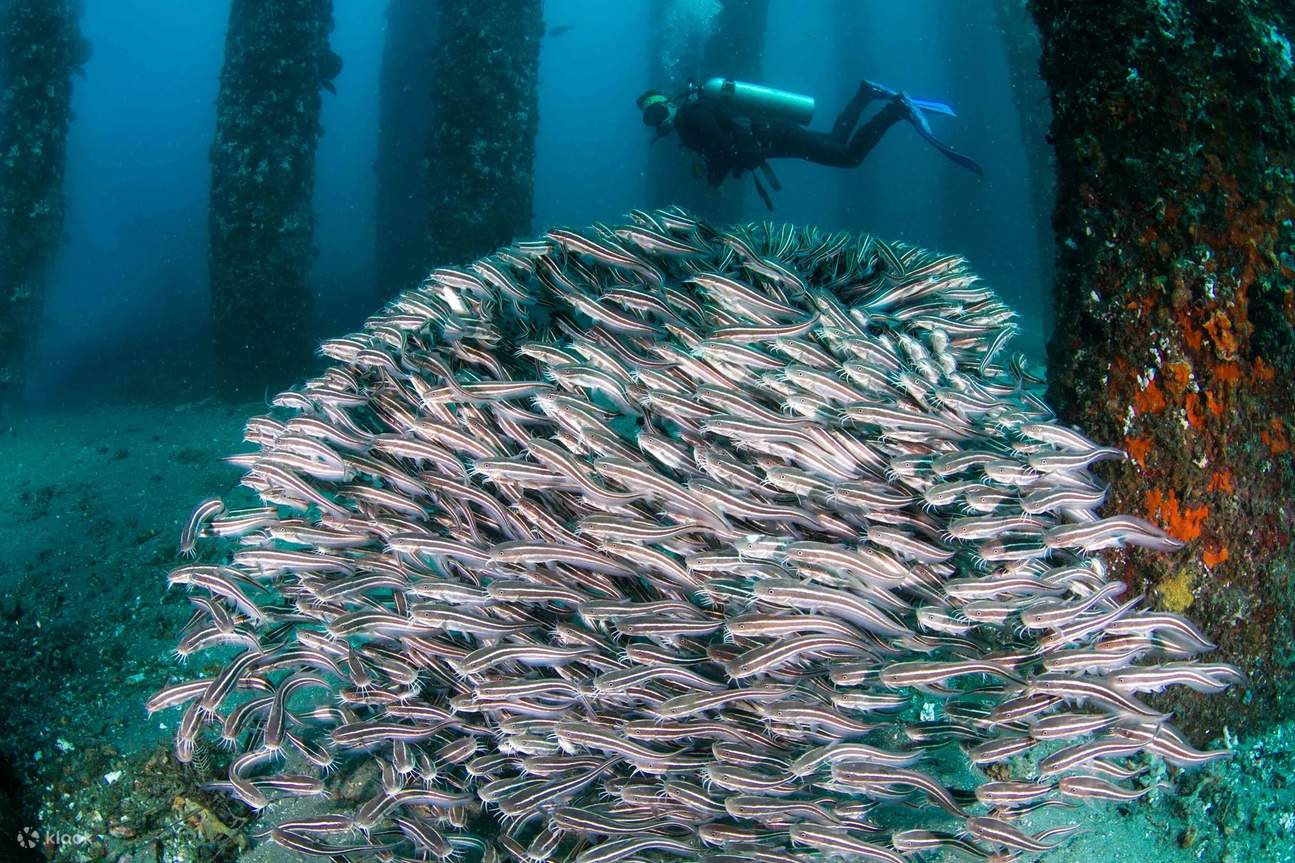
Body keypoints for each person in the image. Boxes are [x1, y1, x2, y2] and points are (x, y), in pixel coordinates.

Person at [637, 80, 982, 208]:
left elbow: (725, 147)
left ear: (668, 104)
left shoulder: (690, 120)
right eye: (649, 119)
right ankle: (865, 94)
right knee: (836, 141)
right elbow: (725, 144)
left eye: (656, 114)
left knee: (849, 157)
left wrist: (717, 175)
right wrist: (723, 167)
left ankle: (895, 110)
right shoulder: (694, 114)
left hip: (778, 137)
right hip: (777, 134)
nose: (657, 122)